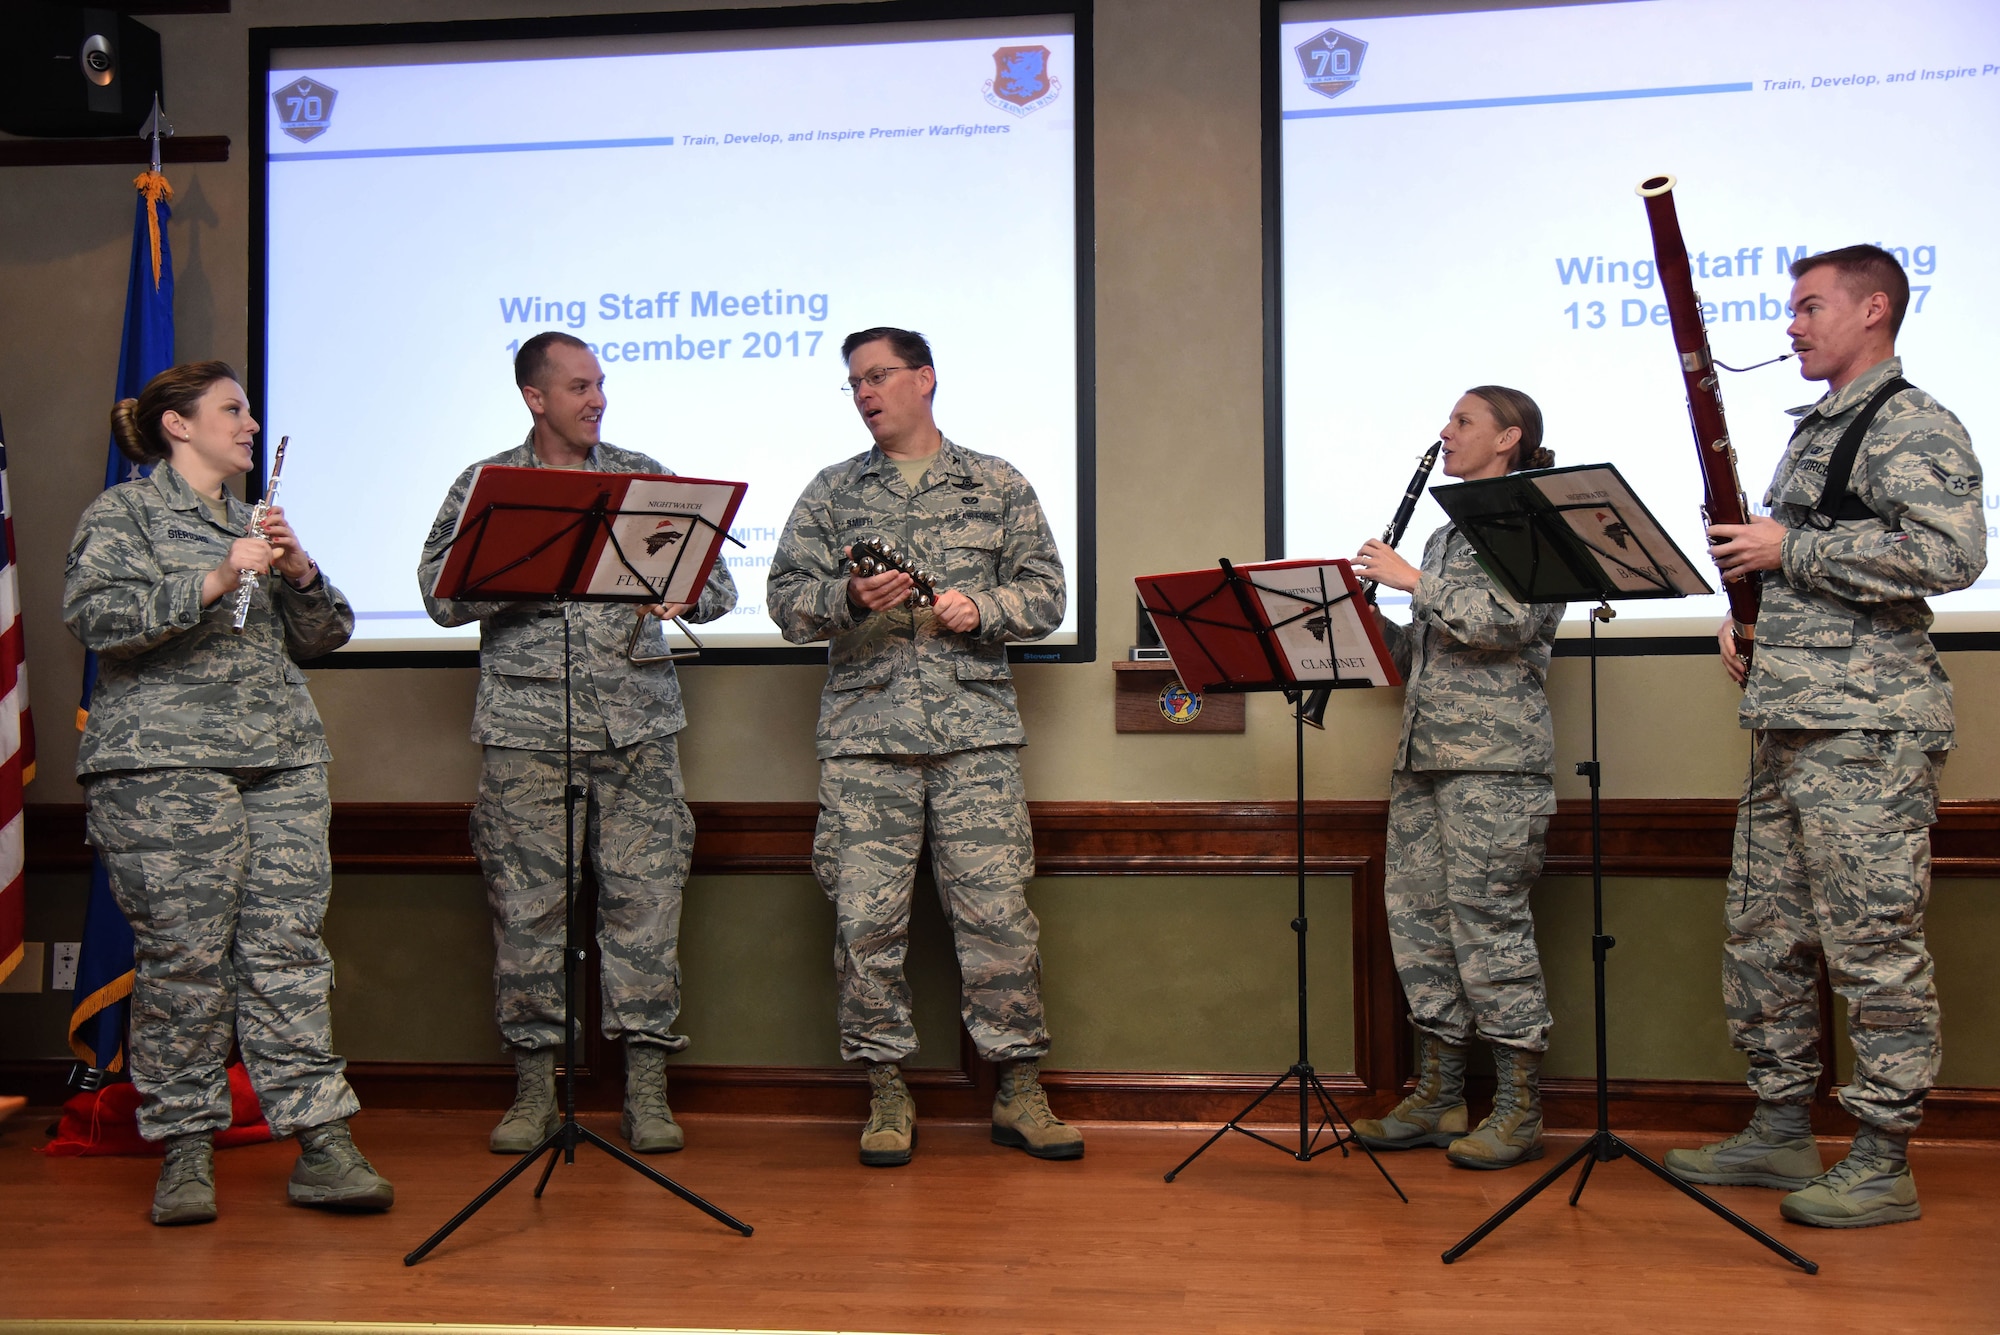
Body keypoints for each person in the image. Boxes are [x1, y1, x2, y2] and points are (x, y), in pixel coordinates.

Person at [1665, 245, 1983, 1228]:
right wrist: (1747, 612)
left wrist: (1786, 548)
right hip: (1785, 720)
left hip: (1864, 732)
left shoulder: (1911, 423)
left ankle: (1882, 1156)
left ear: (1871, 310)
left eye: (1806, 307)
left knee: (1871, 947)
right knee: (1763, 940)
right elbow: (1797, 567)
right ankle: (1778, 1127)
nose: (1790, 327)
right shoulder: (1817, 430)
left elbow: (1950, 553)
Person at [63, 360, 391, 1225]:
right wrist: (210, 578)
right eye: (232, 410)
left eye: (249, 411)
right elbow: (96, 619)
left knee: (287, 950)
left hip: (280, 760)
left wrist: (300, 570)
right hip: (164, 769)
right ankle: (182, 1148)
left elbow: (326, 635)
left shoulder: (256, 521)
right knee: (187, 959)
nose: (250, 425)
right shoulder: (126, 513)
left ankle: (321, 1139)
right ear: (178, 424)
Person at [766, 326, 1079, 1167]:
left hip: (975, 740)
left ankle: (1018, 1089)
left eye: (878, 376)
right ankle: (886, 1091)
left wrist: (987, 608)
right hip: (867, 746)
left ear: (924, 379)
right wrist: (849, 596)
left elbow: (1048, 592)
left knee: (999, 918)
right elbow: (786, 602)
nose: (865, 393)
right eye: (853, 383)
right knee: (866, 924)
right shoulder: (832, 493)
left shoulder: (997, 482)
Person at [418, 331, 736, 1156]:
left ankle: (645, 1086)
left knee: (646, 906)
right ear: (535, 396)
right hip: (527, 733)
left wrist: (682, 592)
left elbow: (718, 589)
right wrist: (516, 566)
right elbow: (439, 598)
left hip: (636, 729)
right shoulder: (490, 485)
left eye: (601, 385)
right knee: (527, 909)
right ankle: (533, 1085)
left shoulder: (646, 478)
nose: (597, 399)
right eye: (580, 386)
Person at [1348, 386, 1562, 1170]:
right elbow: (1424, 657)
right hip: (1426, 760)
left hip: (1496, 768)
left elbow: (1512, 624)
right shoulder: (1443, 534)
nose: (1446, 432)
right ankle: (1439, 1095)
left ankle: (1517, 1108)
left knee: (1490, 931)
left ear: (1508, 438)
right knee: (1422, 928)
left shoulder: (1533, 521)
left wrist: (1412, 582)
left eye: (1463, 421)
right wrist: (1368, 617)